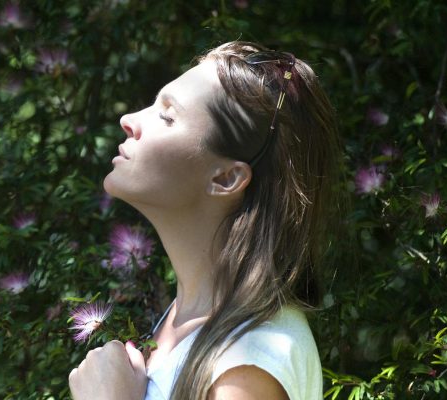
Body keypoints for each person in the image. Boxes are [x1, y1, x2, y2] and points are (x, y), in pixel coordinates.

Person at [68, 40, 344, 400]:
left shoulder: (248, 362)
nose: (129, 120)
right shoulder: (189, 321)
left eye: (167, 116)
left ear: (226, 179)